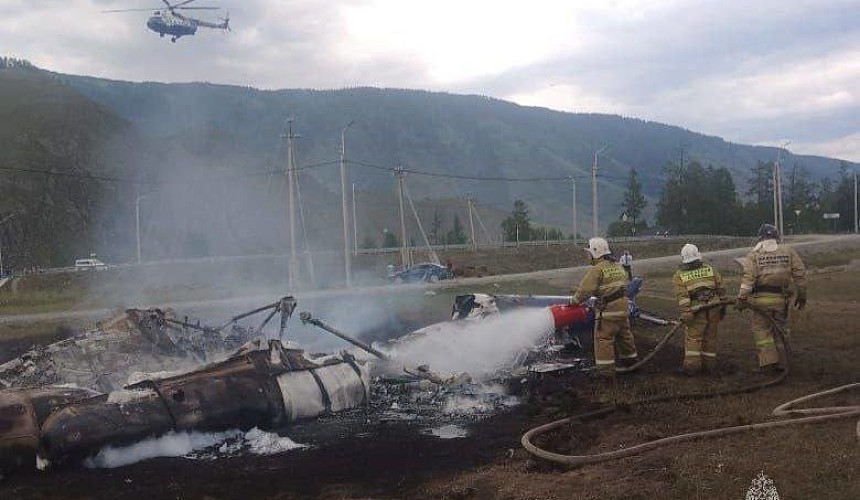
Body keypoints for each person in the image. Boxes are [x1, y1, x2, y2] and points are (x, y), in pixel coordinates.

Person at [735, 224, 806, 372]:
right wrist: (802, 295)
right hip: (781, 301)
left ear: (760, 237)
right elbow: (800, 274)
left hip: (761, 302)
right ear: (777, 237)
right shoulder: (788, 251)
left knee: (762, 332)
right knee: (780, 331)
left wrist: (741, 299)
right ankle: (783, 362)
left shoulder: (754, 255)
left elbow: (748, 280)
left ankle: (768, 363)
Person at [570, 237, 638, 376]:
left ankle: (606, 372)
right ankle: (631, 362)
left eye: (589, 253)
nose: (588, 256)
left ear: (595, 253)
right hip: (623, 309)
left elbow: (585, 290)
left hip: (608, 312)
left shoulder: (597, 269)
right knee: (624, 335)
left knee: (603, 339)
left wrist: (574, 301)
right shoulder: (617, 266)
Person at [672, 244, 726, 375]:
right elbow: (721, 289)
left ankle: (692, 368)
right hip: (714, 308)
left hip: (697, 311)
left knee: (694, 338)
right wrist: (723, 306)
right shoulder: (710, 269)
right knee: (710, 338)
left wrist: (686, 312)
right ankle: (709, 366)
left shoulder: (679, 275)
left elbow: (683, 297)